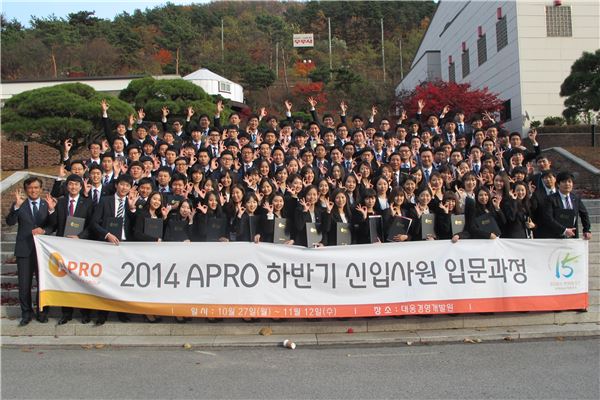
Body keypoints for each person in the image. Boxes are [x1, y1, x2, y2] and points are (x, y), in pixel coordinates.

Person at [47, 174, 95, 325]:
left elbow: (91, 225)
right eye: (71, 184)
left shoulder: (88, 203)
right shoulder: (60, 203)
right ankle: (66, 313)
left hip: (80, 247)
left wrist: (80, 236)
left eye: (76, 185)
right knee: (65, 281)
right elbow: (54, 224)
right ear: (67, 187)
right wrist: (51, 210)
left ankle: (85, 313)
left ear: (81, 187)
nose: (73, 187)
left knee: (82, 280)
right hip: (63, 247)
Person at [6, 177, 54, 326]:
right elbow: (10, 222)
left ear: (40, 189)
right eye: (30, 188)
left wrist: (46, 226)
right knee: (24, 284)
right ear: (26, 190)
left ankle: (42, 312)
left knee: (43, 283)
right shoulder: (20, 204)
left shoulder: (47, 205)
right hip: (24, 250)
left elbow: (54, 226)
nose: (33, 190)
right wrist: (16, 208)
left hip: (42, 251)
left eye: (36, 187)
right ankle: (26, 313)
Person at [91, 174, 139, 325]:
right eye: (122, 184)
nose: (124, 188)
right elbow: (94, 223)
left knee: (122, 280)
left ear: (130, 188)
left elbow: (136, 226)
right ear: (117, 185)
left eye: (127, 186)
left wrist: (132, 209)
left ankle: (122, 312)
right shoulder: (105, 201)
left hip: (125, 245)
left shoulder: (132, 202)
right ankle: (102, 314)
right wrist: (107, 234)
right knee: (104, 280)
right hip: (107, 244)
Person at [541, 172, 592, 239]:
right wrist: (564, 230)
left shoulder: (575, 198)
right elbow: (548, 218)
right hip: (556, 236)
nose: (567, 184)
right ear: (558, 184)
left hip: (572, 235)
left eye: (569, 182)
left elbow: (584, 214)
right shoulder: (550, 199)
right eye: (564, 182)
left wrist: (587, 230)